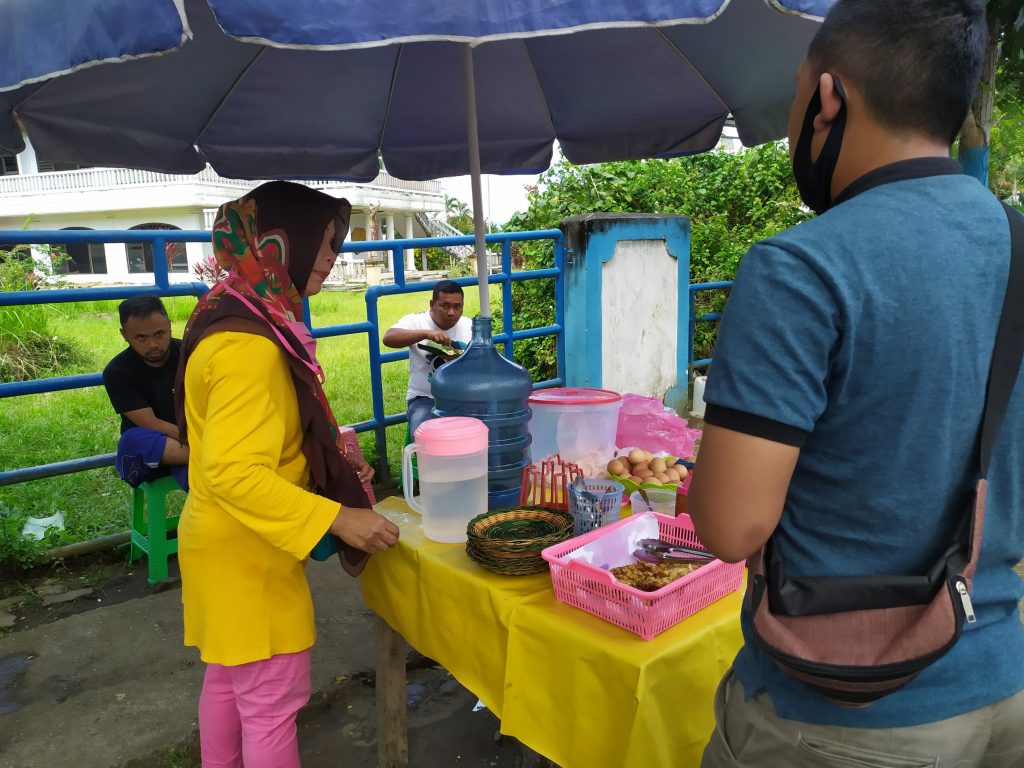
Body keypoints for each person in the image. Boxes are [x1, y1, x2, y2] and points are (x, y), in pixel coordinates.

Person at [689, 1, 1024, 765]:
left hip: (839, 716)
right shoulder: (1018, 248)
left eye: (799, 90)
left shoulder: (800, 267)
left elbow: (730, 527)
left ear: (829, 97)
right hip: (1003, 683)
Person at [173, 181, 399, 768]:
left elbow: (244, 446)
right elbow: (233, 471)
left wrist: (327, 464)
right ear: (283, 243)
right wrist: (338, 516)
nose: (333, 257)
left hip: (221, 541)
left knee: (229, 683)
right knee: (271, 703)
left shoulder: (234, 308)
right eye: (325, 243)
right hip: (246, 552)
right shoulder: (250, 347)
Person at [102, 295, 189, 490]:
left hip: (192, 445)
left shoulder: (190, 354)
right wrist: (202, 441)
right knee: (132, 440)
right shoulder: (117, 372)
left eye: (159, 334)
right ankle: (214, 455)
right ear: (124, 335)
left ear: (169, 326)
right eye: (141, 338)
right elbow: (151, 424)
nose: (153, 345)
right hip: (156, 454)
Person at [382, 279, 472, 435]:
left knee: (487, 428)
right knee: (425, 436)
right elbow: (388, 338)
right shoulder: (416, 321)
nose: (451, 312)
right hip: (424, 398)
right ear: (432, 305)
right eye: (445, 306)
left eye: (457, 307)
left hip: (462, 398)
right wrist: (426, 333)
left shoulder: (469, 326)